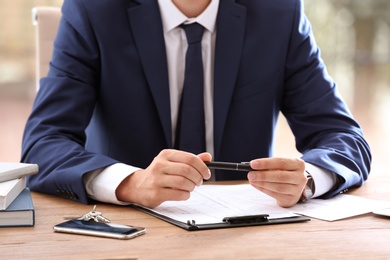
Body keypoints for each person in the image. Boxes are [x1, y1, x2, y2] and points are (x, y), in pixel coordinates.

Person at [21, 0, 371, 209]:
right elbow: (43, 144)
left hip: (247, 237)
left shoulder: (278, 12)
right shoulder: (93, 9)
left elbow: (344, 138)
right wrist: (131, 183)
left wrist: (308, 179)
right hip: (128, 232)